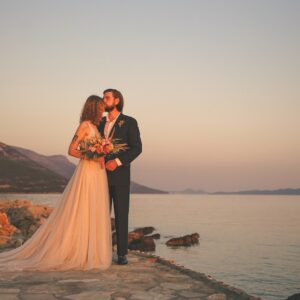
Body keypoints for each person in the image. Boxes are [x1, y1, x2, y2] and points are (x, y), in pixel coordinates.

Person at [0, 95, 112, 271]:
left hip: (98, 173)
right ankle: (74, 250)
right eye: (101, 107)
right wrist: (91, 155)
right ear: (94, 107)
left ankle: (90, 250)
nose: (103, 110)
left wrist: (103, 152)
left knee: (93, 208)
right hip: (87, 172)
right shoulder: (84, 126)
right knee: (81, 208)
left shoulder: (95, 128)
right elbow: (72, 150)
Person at [98, 89, 142, 265]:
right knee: (100, 215)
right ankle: (100, 251)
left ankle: (122, 253)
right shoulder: (99, 122)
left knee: (121, 215)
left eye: (107, 98)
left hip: (121, 177)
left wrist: (117, 161)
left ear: (116, 100)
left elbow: (137, 148)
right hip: (99, 176)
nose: (104, 101)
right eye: (103, 98)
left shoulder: (130, 122)